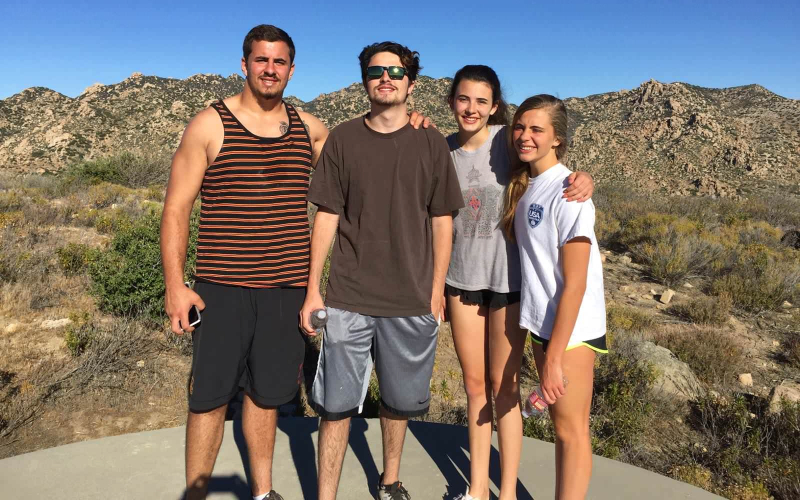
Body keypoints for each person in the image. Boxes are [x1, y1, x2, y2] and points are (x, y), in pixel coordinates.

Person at [160, 24, 330, 500]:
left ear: (291, 70)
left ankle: (262, 491)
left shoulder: (310, 129)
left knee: (266, 396)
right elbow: (176, 209)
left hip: (285, 291)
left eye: (279, 62)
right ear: (244, 64)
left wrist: (410, 121)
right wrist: (175, 285)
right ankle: (196, 494)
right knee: (209, 398)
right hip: (221, 289)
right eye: (261, 59)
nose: (270, 69)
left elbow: (361, 159)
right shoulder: (209, 124)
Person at [299, 41, 464, 500]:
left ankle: (389, 481)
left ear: (411, 83)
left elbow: (442, 220)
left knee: (399, 401)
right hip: (348, 296)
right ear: (364, 81)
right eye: (376, 71)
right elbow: (327, 215)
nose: (385, 78)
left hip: (411, 296)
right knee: (335, 406)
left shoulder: (430, 142)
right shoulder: (343, 139)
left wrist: (436, 290)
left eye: (395, 71)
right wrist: (313, 289)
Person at [444, 65, 593, 500]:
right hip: (461, 281)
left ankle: (506, 492)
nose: (471, 108)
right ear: (452, 101)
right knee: (475, 387)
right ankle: (477, 489)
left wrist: (584, 178)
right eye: (463, 99)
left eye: (481, 101)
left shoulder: (508, 141)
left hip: (510, 285)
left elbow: (550, 165)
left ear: (495, 106)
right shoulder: (440, 149)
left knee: (504, 388)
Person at [502, 94, 607, 500]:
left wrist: (556, 357)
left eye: (536, 129)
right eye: (520, 127)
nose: (524, 136)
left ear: (557, 138)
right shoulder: (529, 185)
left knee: (571, 431)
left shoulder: (570, 194)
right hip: (546, 325)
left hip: (572, 332)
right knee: (562, 429)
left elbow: (575, 283)